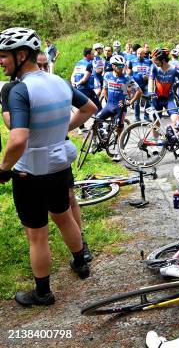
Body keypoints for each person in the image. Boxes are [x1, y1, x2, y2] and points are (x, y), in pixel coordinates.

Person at [0, 27, 97, 307]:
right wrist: (59, 129)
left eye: (4, 56)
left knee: (37, 235)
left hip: (29, 172)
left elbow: (18, 138)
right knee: (64, 216)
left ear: (21, 55)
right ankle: (81, 263)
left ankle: (42, 293)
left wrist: (4, 168)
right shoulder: (58, 81)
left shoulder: (19, 90)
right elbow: (89, 107)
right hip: (58, 166)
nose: (1, 61)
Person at [32, 52, 93, 261]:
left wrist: (62, 129)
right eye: (37, 66)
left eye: (44, 65)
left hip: (57, 149)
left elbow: (89, 108)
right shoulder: (23, 87)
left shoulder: (58, 83)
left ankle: (81, 245)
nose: (41, 70)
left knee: (69, 198)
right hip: (42, 155)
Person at [148, 47, 179, 157]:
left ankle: (173, 142)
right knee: (156, 122)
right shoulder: (154, 67)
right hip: (156, 98)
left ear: (163, 60)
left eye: (156, 59)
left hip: (169, 98)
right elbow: (151, 80)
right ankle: (155, 144)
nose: (154, 61)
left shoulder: (174, 69)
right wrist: (151, 92)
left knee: (177, 120)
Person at [98, 55, 141, 160]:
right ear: (113, 66)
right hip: (109, 105)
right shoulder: (107, 75)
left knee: (119, 128)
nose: (122, 68)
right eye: (119, 66)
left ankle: (119, 150)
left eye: (123, 65)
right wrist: (107, 102)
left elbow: (139, 92)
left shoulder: (126, 78)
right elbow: (105, 89)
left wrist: (130, 102)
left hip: (120, 107)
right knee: (95, 121)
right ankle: (95, 141)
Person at [71, 48, 101, 133]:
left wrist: (74, 83)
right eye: (92, 54)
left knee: (81, 108)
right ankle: (99, 126)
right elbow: (85, 79)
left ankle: (81, 128)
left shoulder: (78, 63)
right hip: (86, 89)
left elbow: (73, 75)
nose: (94, 55)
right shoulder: (89, 64)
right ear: (88, 55)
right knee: (98, 107)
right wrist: (79, 83)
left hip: (79, 89)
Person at [129, 47, 154, 122]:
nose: (139, 55)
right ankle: (137, 118)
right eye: (138, 54)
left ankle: (146, 117)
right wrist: (130, 84)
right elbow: (129, 73)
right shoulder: (132, 61)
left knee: (148, 100)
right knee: (136, 101)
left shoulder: (149, 62)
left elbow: (152, 72)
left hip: (146, 84)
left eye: (141, 54)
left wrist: (148, 76)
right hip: (136, 84)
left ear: (144, 54)